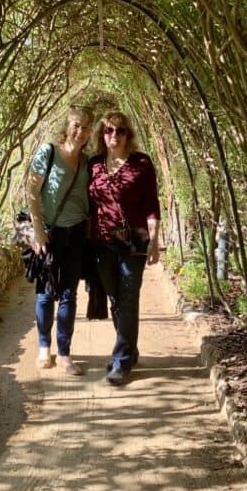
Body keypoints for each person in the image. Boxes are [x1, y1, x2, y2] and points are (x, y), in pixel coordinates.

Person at [88, 111, 161, 385]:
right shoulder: (93, 164)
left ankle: (120, 360)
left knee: (129, 298)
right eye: (108, 130)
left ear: (128, 134)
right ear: (101, 134)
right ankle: (129, 350)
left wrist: (154, 241)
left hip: (134, 240)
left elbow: (152, 206)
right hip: (101, 242)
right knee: (116, 300)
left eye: (119, 130)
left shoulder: (141, 163)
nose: (113, 135)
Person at [26, 105, 94, 375]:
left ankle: (64, 353)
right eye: (77, 125)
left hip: (77, 233)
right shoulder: (49, 152)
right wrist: (37, 230)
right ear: (68, 126)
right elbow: (31, 191)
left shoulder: (87, 161)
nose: (81, 131)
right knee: (45, 293)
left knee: (69, 294)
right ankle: (44, 348)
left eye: (86, 127)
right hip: (49, 232)